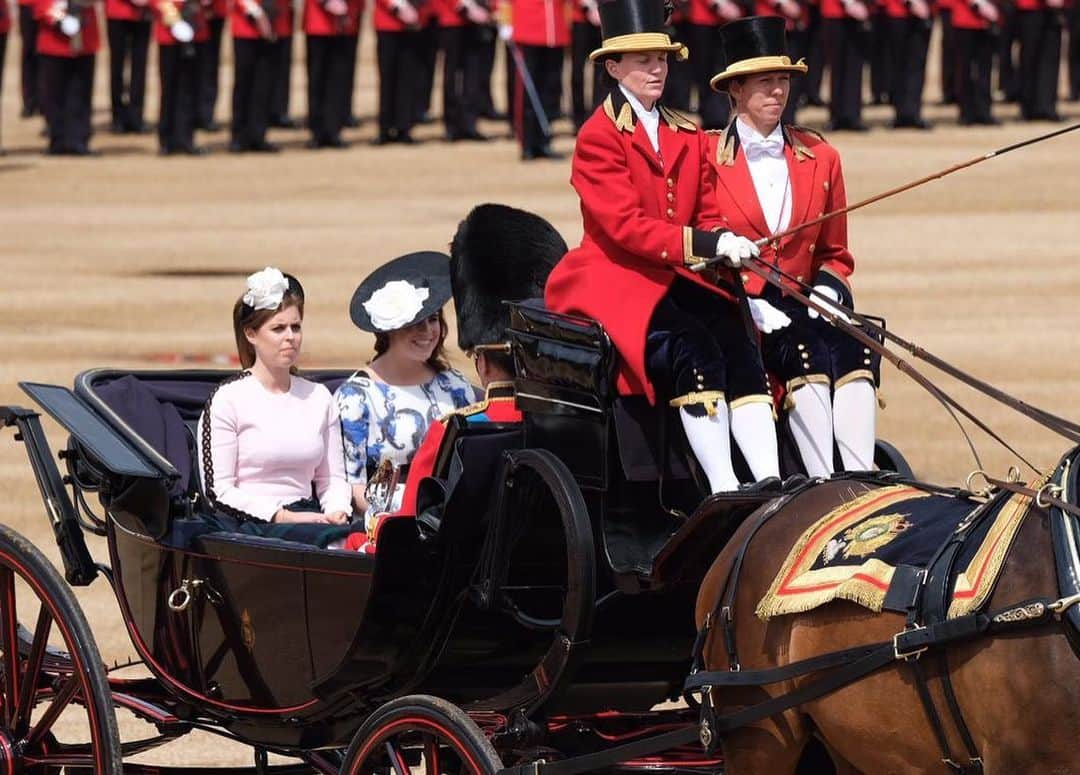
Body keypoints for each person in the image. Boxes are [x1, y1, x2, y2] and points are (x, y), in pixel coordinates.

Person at [544, 0, 780, 494]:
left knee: (739, 341)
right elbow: (625, 228)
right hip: (616, 281)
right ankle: (723, 488)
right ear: (613, 67)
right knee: (693, 350)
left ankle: (769, 482)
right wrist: (704, 242)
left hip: (676, 276)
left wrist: (725, 242)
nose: (657, 69)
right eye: (643, 60)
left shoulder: (686, 130)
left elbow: (707, 208)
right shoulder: (598, 136)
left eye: (662, 58)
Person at [705, 16, 878, 475]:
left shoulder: (821, 157)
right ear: (735, 90)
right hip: (741, 308)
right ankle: (822, 480)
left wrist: (829, 289)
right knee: (806, 350)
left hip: (804, 298)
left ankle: (862, 476)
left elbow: (835, 253)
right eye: (765, 83)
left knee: (861, 342)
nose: (778, 92)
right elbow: (697, 249)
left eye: (782, 80)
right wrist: (743, 298)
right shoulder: (705, 159)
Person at [198, 267, 357, 546]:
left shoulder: (319, 397)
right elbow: (219, 491)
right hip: (252, 527)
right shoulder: (228, 398)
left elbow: (332, 478)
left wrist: (337, 510)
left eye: (296, 327)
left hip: (313, 520)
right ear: (251, 334)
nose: (290, 337)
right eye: (278, 328)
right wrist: (282, 517)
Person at [335, 252, 476, 528]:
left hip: (453, 519)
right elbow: (355, 490)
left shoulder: (456, 387)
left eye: (433, 319)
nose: (427, 331)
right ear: (389, 330)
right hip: (387, 527)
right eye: (414, 323)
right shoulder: (355, 397)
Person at [35, 0, 100, 155]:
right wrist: (58, 17)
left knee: (81, 92)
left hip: (84, 31)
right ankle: (57, 139)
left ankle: (79, 139)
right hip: (54, 37)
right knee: (54, 93)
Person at [510, 0, 568, 159]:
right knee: (528, 93)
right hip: (529, 28)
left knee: (551, 90)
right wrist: (505, 19)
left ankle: (544, 141)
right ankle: (527, 143)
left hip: (555, 29)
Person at [229, 0, 287, 152]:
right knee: (243, 83)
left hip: (271, 20)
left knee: (264, 84)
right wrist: (256, 12)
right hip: (245, 25)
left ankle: (258, 134)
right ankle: (239, 136)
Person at [303, 0, 359, 148]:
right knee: (317, 79)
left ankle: (334, 129)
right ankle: (317, 131)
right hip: (318, 20)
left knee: (339, 80)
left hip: (345, 19)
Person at [155, 0, 207, 155]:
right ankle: (166, 139)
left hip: (193, 23)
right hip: (168, 27)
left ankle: (186, 137)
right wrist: (173, 18)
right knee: (168, 87)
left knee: (189, 88)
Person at [819, 0, 869, 131]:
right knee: (837, 67)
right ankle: (836, 116)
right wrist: (849, 3)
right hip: (834, 11)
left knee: (855, 66)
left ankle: (853, 115)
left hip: (860, 11)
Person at [105, 0, 151, 134]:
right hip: (117, 10)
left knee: (139, 67)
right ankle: (118, 117)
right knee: (117, 66)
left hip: (143, 11)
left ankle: (136, 116)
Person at [951, 0, 999, 126]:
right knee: (965, 69)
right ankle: (966, 112)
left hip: (989, 17)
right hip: (965, 18)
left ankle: (984, 110)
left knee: (986, 69)